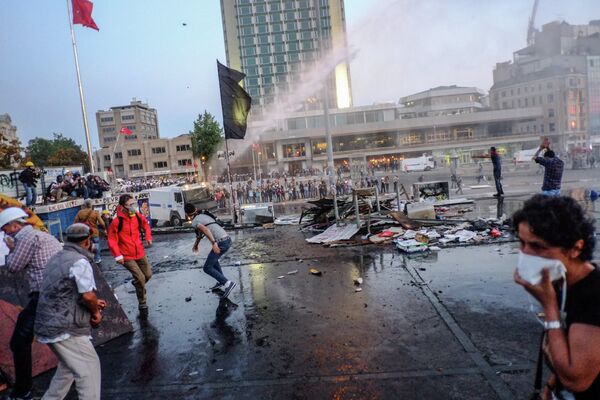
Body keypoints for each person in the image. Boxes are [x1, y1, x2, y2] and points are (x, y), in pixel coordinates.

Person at [513, 195, 600, 399]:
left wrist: (549, 307)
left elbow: (576, 379)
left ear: (575, 248)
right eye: (522, 243)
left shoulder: (594, 295)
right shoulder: (563, 283)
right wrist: (552, 385)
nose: (525, 253)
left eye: (537, 247)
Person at [34, 223, 106, 400]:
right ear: (87, 241)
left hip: (49, 322)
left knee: (68, 369)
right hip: (66, 326)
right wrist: (95, 311)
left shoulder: (57, 257)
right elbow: (87, 296)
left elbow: (66, 290)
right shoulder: (79, 261)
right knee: (89, 369)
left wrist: (94, 302)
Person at [0, 207, 62, 400]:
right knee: (60, 338)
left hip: (43, 295)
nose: (4, 233)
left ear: (14, 225)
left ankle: (23, 391)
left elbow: (13, 266)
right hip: (56, 291)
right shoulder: (40, 235)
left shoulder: (25, 239)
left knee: (19, 342)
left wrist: (11, 250)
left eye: (5, 228)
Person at [107, 194, 153, 311]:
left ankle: (138, 283)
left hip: (139, 252)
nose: (133, 207)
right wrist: (118, 255)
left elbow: (146, 226)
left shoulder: (137, 216)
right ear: (122, 207)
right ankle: (142, 302)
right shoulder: (117, 222)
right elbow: (112, 240)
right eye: (130, 205)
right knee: (141, 278)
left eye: (133, 203)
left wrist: (148, 237)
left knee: (148, 275)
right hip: (126, 255)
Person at [184, 203, 236, 299]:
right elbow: (200, 234)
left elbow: (206, 230)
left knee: (207, 267)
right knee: (214, 260)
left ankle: (228, 283)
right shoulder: (203, 215)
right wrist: (196, 244)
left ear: (187, 214)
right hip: (227, 239)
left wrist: (214, 243)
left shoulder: (195, 221)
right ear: (195, 208)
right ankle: (221, 282)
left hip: (221, 242)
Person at [74, 199, 106, 264]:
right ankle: (97, 258)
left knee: (85, 245)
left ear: (84, 205)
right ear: (92, 205)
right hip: (94, 232)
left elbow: (75, 222)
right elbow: (102, 223)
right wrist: (104, 229)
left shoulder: (80, 212)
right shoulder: (95, 213)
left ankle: (87, 258)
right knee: (96, 244)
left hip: (84, 232)